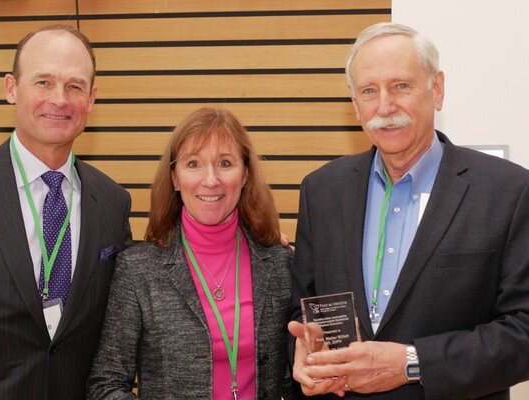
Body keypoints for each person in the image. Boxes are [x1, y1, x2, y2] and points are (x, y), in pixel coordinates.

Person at [287, 22, 529, 400]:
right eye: (369, 91)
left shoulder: (508, 191)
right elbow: (301, 309)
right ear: (354, 106)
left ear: (437, 89)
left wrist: (412, 363)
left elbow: (524, 332)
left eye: (401, 85)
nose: (385, 106)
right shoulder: (321, 191)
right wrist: (303, 354)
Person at [0, 25, 132, 399]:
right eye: (43, 82)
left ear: (91, 99)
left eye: (75, 86)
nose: (59, 99)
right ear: (11, 88)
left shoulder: (113, 202)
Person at [87, 107, 293, 399]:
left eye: (225, 163)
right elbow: (104, 386)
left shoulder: (279, 263)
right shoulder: (138, 270)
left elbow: (293, 382)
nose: (210, 180)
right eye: (193, 164)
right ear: (174, 177)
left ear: (245, 173)